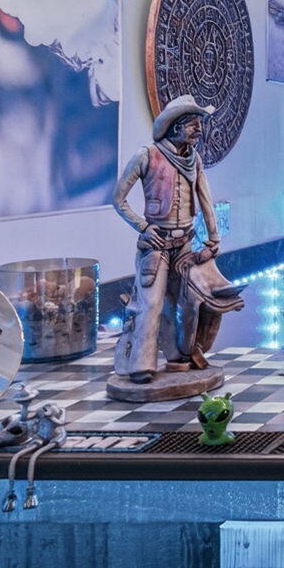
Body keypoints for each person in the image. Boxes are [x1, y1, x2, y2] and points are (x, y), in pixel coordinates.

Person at [111, 97, 243, 383]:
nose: (198, 129)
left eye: (198, 124)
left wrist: (213, 238)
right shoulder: (147, 155)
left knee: (187, 302)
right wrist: (144, 227)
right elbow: (118, 199)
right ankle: (141, 365)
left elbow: (206, 200)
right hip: (156, 245)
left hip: (185, 245)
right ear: (176, 127)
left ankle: (179, 356)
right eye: (193, 124)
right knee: (152, 302)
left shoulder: (193, 159)